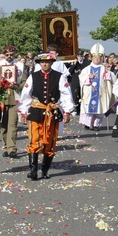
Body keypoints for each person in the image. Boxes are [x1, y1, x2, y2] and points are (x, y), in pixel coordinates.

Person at [18, 52, 74, 180]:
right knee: (34, 139)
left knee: (50, 141)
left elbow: (66, 94)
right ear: (39, 63)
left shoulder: (59, 76)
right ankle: (33, 170)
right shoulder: (33, 76)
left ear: (51, 63)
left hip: (52, 112)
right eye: (42, 62)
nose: (45, 64)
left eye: (47, 62)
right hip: (36, 111)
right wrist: (24, 111)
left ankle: (44, 170)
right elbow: (26, 94)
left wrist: (67, 111)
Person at [0, 46, 24, 158]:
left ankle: (12, 148)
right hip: (2, 96)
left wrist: (17, 86)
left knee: (13, 123)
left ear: (14, 54)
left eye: (11, 54)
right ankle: (6, 146)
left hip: (14, 96)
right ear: (4, 54)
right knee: (3, 124)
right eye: (7, 55)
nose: (9, 56)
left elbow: (25, 81)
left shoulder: (20, 65)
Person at [78, 43, 114, 131]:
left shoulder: (104, 69)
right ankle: (87, 124)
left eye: (99, 57)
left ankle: (96, 125)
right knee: (88, 109)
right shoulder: (86, 69)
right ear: (92, 57)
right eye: (95, 57)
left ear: (101, 58)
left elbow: (111, 79)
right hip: (89, 93)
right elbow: (81, 79)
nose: (97, 59)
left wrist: (107, 75)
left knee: (99, 109)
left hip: (101, 93)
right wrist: (88, 78)